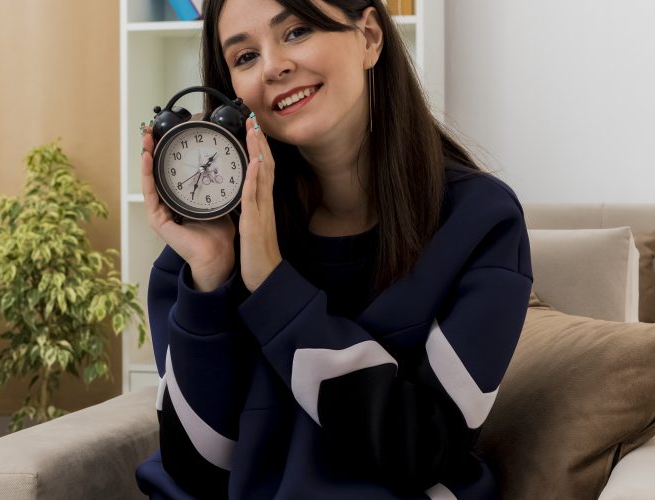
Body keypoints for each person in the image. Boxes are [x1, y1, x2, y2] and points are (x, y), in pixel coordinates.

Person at [134, 0, 532, 498]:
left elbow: (421, 449)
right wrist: (213, 273)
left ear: (369, 36)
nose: (274, 65)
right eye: (244, 57)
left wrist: (273, 286)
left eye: (297, 31)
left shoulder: (481, 222)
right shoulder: (211, 238)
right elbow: (196, 472)